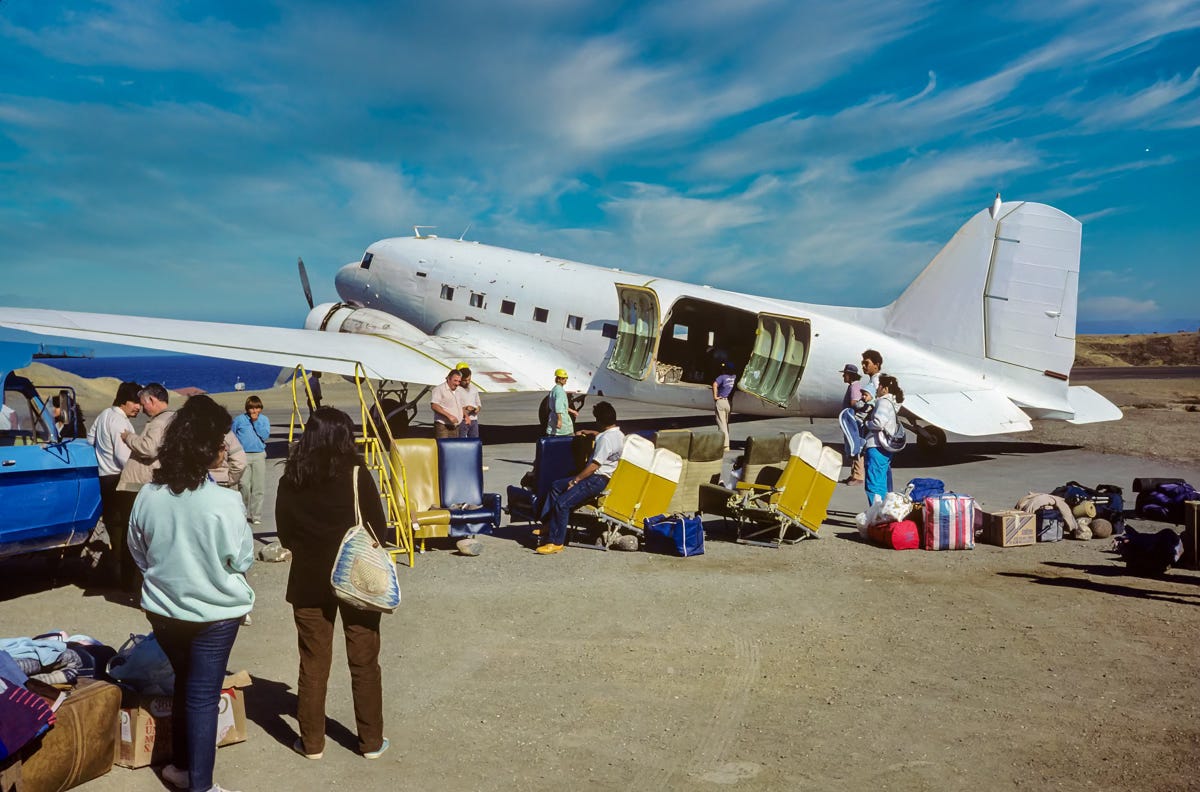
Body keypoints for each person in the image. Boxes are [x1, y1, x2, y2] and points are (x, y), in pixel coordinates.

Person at [126, 394, 253, 792]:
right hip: (216, 615)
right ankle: (200, 785)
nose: (224, 448)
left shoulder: (148, 495)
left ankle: (181, 767)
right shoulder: (225, 501)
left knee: (185, 683)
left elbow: (138, 550)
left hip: (164, 612)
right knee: (201, 693)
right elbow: (242, 559)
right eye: (220, 441)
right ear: (206, 446)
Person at [276, 408, 389, 762]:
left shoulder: (291, 476)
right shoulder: (356, 474)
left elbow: (285, 535)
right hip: (356, 578)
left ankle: (312, 743)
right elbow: (379, 529)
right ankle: (370, 741)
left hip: (309, 579)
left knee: (313, 662)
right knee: (364, 660)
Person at [535, 401, 624, 555]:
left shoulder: (605, 440)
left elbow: (594, 465)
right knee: (556, 486)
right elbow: (603, 438)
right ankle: (550, 524)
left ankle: (556, 542)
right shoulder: (618, 435)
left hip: (595, 479)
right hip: (600, 477)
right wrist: (589, 432)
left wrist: (575, 480)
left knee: (563, 504)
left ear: (600, 421)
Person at [113, 383, 176, 591]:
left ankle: (135, 584)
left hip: (140, 484)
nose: (142, 409)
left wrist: (128, 438)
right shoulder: (171, 419)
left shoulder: (159, 422)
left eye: (144, 403)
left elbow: (149, 449)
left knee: (138, 537)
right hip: (150, 482)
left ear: (152, 400)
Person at [87, 381, 142, 583]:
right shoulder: (120, 422)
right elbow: (123, 457)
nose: (139, 407)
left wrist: (102, 455)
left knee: (113, 526)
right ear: (124, 401)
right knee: (127, 529)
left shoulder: (103, 415)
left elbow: (90, 438)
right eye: (135, 402)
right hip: (120, 478)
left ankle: (116, 574)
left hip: (104, 477)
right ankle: (127, 579)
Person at [863, 374, 905, 507]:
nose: (877, 389)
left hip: (875, 446)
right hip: (885, 448)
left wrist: (867, 424)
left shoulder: (882, 402)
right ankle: (884, 513)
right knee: (883, 483)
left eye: (879, 386)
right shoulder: (892, 403)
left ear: (885, 388)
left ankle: (877, 514)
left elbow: (878, 423)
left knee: (874, 484)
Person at [231, 395, 270, 524]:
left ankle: (256, 515)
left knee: (258, 487)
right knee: (244, 485)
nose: (254, 411)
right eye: (252, 408)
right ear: (247, 408)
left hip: (259, 455)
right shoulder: (239, 420)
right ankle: (243, 511)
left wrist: (256, 422)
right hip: (244, 455)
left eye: (257, 408)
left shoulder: (264, 420)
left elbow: (265, 435)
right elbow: (232, 436)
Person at [837, 364, 866, 485]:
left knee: (855, 447)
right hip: (851, 421)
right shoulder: (854, 386)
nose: (844, 376)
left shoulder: (854, 387)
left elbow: (854, 402)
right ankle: (854, 474)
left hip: (852, 422)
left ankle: (858, 476)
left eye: (845, 374)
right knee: (853, 446)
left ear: (850, 375)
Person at [429, 368, 463, 439]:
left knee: (453, 448)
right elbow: (434, 405)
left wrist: (466, 416)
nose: (457, 383)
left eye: (459, 381)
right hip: (443, 426)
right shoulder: (439, 389)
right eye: (455, 381)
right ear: (448, 379)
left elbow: (460, 406)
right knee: (443, 447)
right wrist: (449, 416)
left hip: (455, 426)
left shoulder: (459, 390)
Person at [711, 362, 737, 452]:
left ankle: (725, 446)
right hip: (729, 403)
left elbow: (714, 384)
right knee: (725, 424)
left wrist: (715, 396)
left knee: (722, 425)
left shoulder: (722, 377)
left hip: (721, 401)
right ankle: (724, 442)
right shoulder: (734, 377)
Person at [545, 368, 577, 436]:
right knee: (568, 437)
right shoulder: (560, 391)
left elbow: (562, 406)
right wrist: (560, 420)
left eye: (566, 378)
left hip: (553, 417)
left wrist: (572, 411)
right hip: (562, 419)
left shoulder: (555, 389)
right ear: (558, 379)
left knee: (553, 435)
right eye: (563, 378)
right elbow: (558, 406)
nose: (565, 380)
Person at [455, 367, 481, 439]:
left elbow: (478, 403)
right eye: (465, 380)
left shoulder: (474, 388)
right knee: (461, 440)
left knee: (474, 440)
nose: (467, 382)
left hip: (474, 419)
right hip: (462, 421)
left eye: (469, 379)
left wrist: (477, 408)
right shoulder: (456, 389)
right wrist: (466, 408)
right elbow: (454, 406)